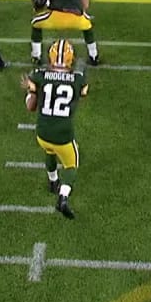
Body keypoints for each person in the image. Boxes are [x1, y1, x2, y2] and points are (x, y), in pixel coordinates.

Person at [22, 40, 87, 219]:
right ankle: (63, 197)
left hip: (42, 134)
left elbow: (30, 107)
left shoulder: (38, 76)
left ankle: (52, 181)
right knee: (72, 164)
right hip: (63, 135)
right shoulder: (78, 79)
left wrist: (32, 91)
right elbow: (83, 93)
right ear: (70, 58)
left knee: (49, 150)